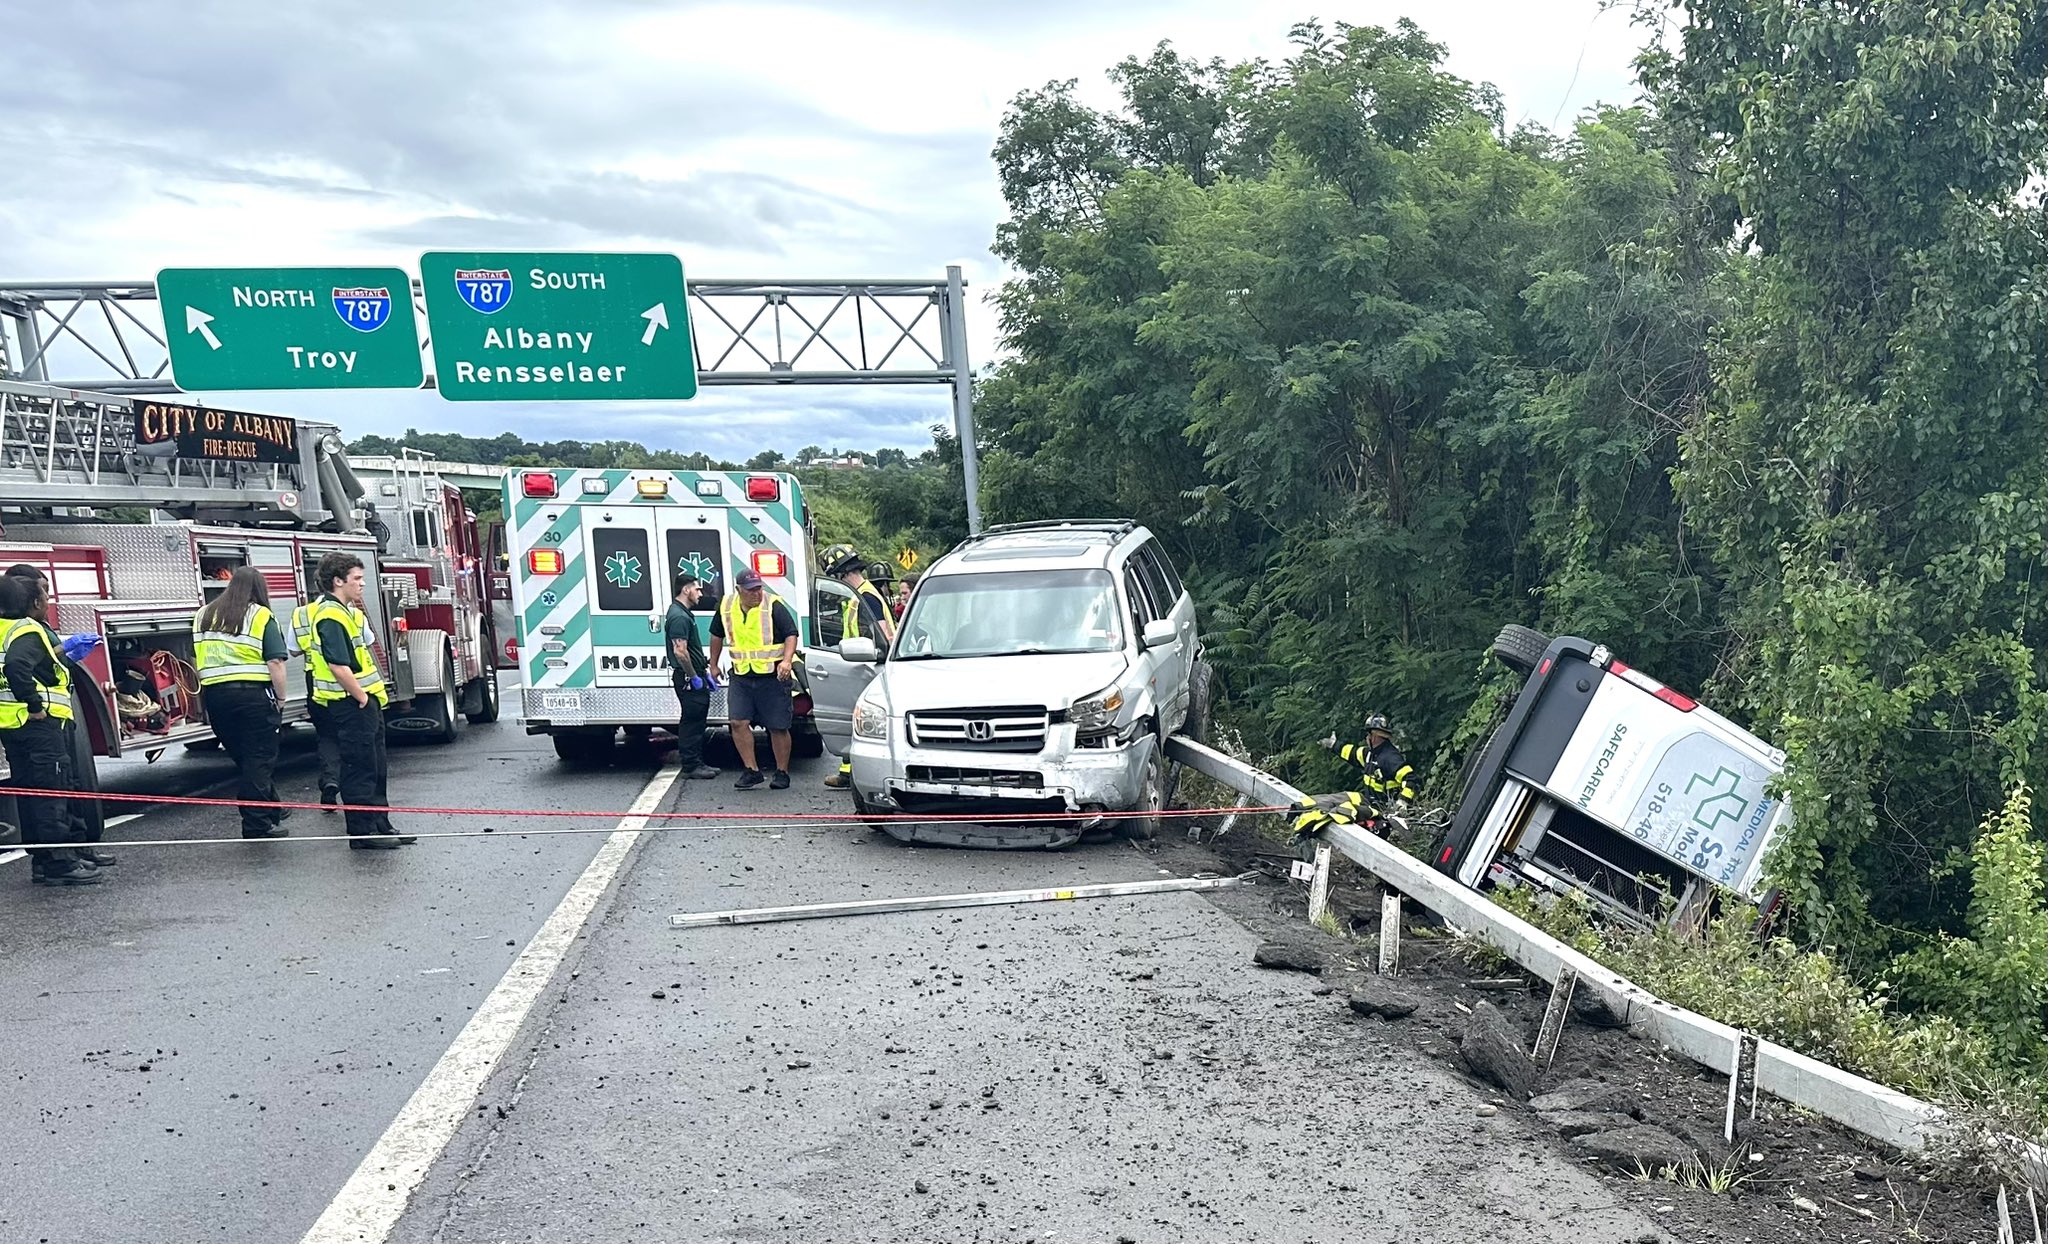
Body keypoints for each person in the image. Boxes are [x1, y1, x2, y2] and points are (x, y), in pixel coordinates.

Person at [5, 563, 114, 867]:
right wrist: (36, 706)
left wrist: (63, 652)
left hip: (33, 721)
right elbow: (19, 666)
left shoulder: (22, 626)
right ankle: (59, 860)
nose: (49, 600)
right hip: (39, 721)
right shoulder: (23, 628)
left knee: (64, 785)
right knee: (53, 791)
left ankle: (73, 850)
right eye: (44, 594)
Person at [305, 552, 412, 849]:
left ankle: (381, 824)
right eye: (357, 579)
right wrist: (362, 696)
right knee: (359, 768)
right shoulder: (330, 615)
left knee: (376, 766)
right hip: (350, 704)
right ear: (338, 581)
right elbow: (338, 665)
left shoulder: (347, 611)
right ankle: (362, 832)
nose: (362, 584)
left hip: (365, 702)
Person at [195, 567, 291, 839]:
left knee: (245, 758)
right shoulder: (260, 615)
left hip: (216, 697)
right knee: (259, 759)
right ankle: (256, 824)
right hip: (252, 697)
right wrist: (281, 698)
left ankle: (272, 808)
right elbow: (275, 661)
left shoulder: (203, 614)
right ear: (259, 589)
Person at [707, 568, 799, 790]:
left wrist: (787, 661)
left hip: (772, 676)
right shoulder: (727, 606)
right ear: (739, 590)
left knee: (777, 727)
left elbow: (791, 634)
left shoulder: (773, 605)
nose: (756, 593)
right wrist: (713, 664)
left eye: (759, 588)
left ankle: (781, 772)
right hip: (741, 676)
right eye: (751, 590)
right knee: (738, 722)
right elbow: (716, 635)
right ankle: (752, 770)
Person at [818, 544, 895, 790]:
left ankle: (866, 774)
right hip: (862, 664)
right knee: (854, 718)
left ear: (841, 574)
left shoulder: (866, 597)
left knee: (868, 721)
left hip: (873, 665)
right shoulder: (860, 594)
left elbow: (883, 633)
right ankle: (848, 771)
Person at [288, 582, 353, 811]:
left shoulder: (300, 613)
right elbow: (366, 641)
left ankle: (329, 781)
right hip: (347, 681)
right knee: (352, 738)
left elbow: (293, 650)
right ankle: (352, 793)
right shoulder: (347, 610)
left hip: (314, 680)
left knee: (326, 735)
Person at [666, 570, 718, 780]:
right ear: (686, 590)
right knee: (692, 722)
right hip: (687, 677)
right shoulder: (678, 616)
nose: (700, 592)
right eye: (697, 589)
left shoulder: (683, 613)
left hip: (693, 673)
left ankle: (697, 762)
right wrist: (693, 676)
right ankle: (692, 765)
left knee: (697, 720)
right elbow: (680, 651)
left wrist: (704, 673)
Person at [1335, 715, 1417, 812]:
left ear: (1373, 736)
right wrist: (1334, 745)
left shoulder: (1390, 757)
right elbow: (1352, 753)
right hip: (1372, 808)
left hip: (1387, 812)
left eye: (1367, 734)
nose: (1366, 737)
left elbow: (1411, 779)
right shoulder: (1371, 754)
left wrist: (1403, 800)